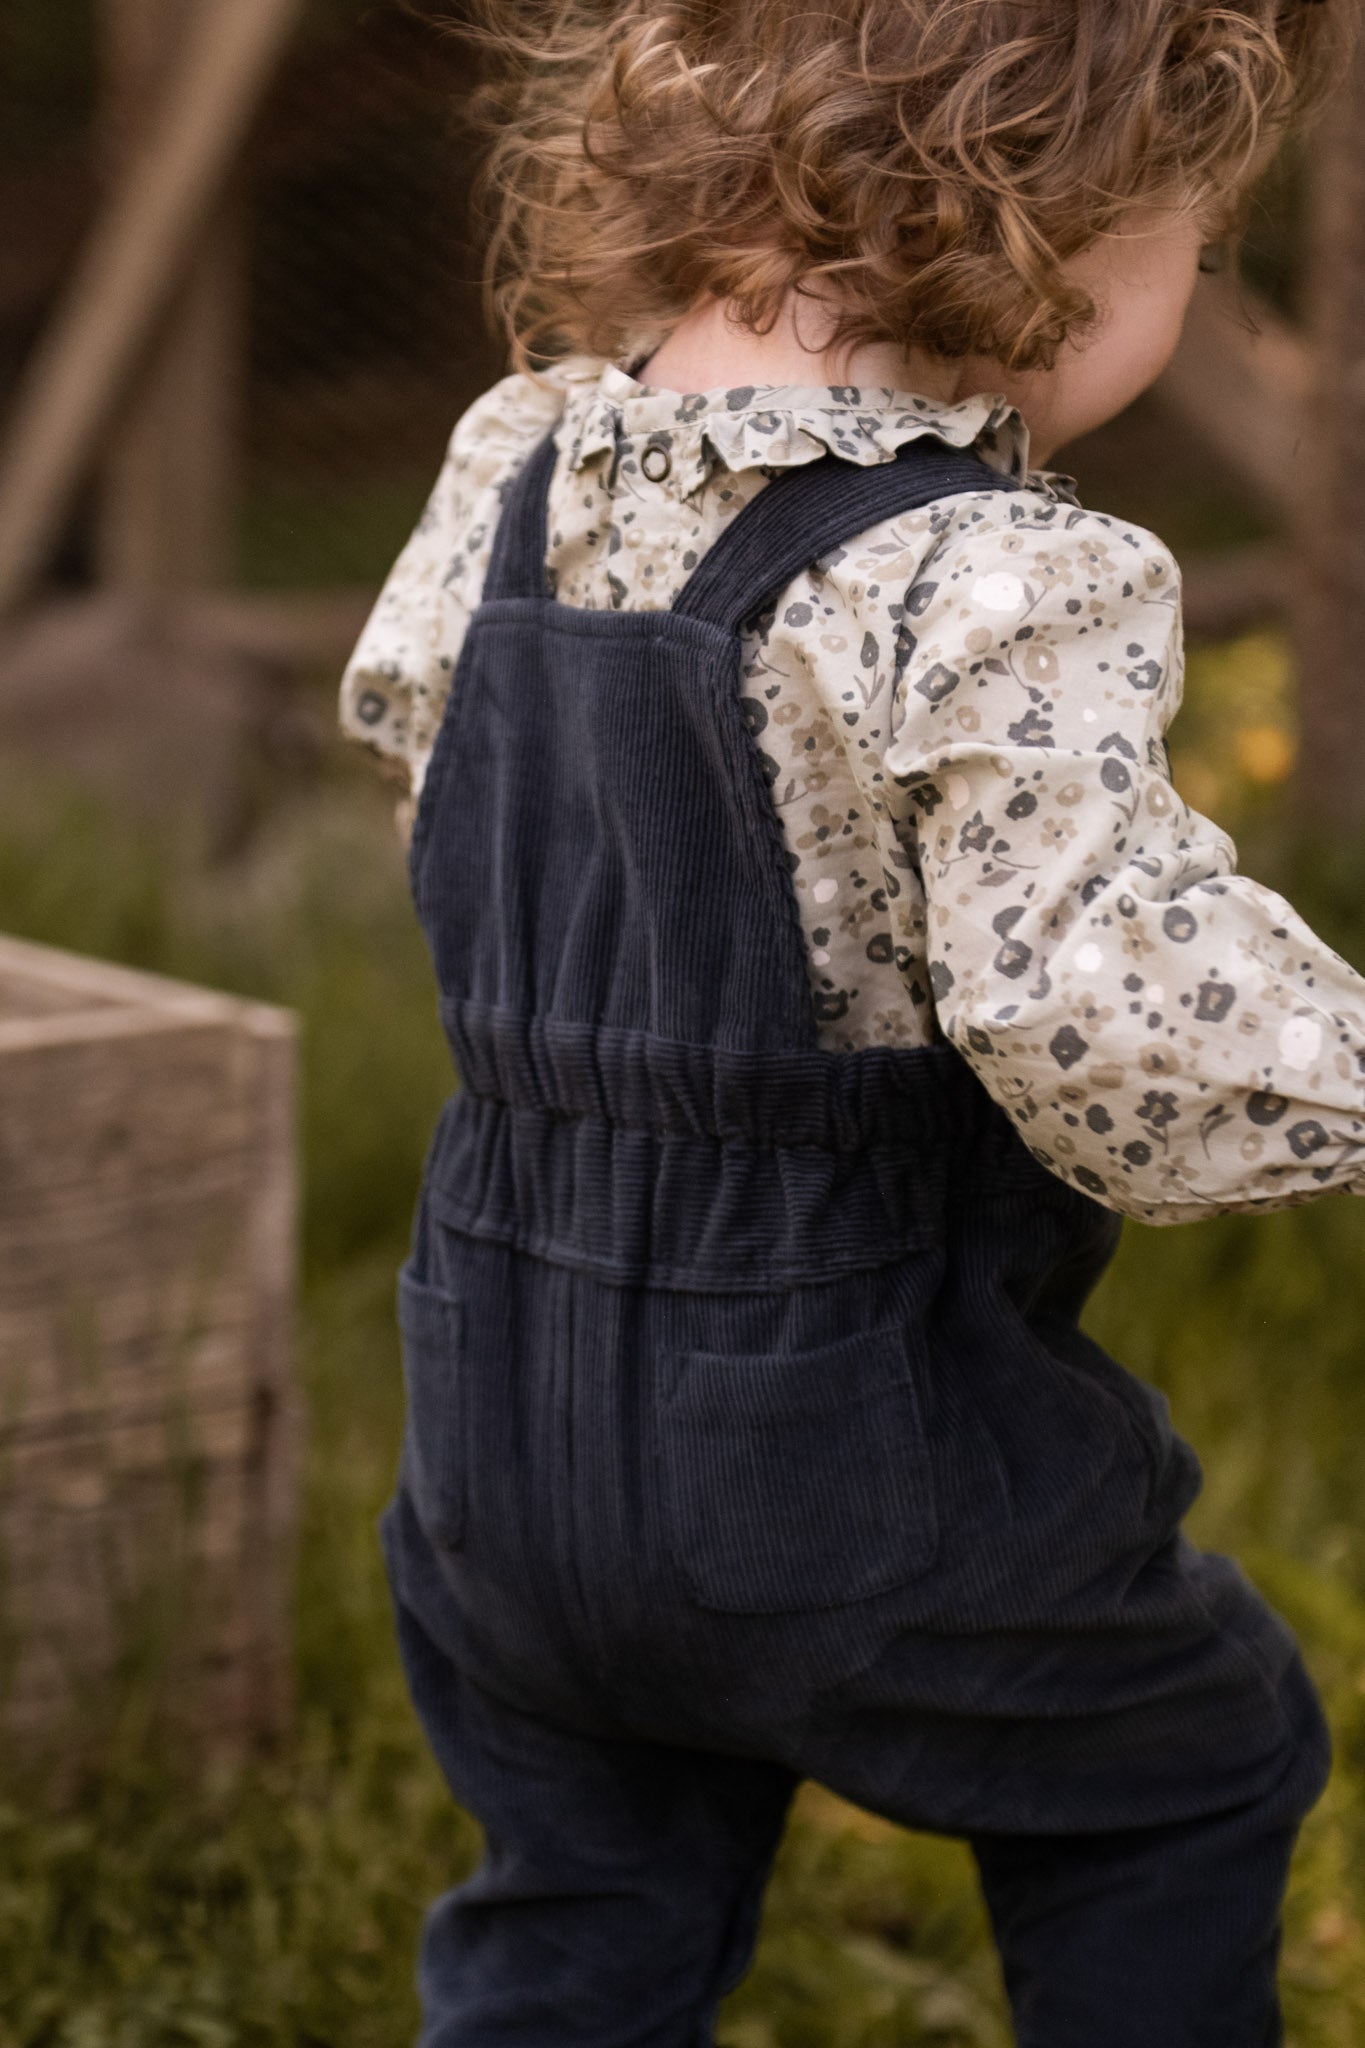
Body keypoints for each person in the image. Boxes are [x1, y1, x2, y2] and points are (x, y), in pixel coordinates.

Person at [338, 3, 1360, 2040]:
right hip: (831, 1438)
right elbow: (1112, 1034)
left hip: (493, 1428)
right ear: (1057, 229)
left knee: (588, 1884)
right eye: (1198, 249)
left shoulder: (514, 466)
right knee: (1187, 1756)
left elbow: (419, 761)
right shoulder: (985, 576)